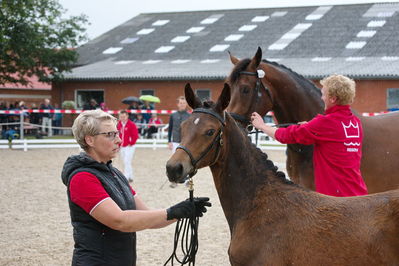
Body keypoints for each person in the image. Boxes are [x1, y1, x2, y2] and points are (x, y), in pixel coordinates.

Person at [61, 109, 211, 266]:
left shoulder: (116, 174)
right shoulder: (82, 178)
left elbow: (148, 217)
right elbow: (119, 220)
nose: (119, 140)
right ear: (89, 140)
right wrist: (172, 212)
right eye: (110, 135)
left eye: (117, 133)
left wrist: (183, 210)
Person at [251, 74, 368, 197]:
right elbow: (334, 138)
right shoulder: (355, 122)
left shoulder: (325, 123)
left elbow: (285, 135)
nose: (322, 98)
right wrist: (310, 127)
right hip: (358, 194)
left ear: (333, 99)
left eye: (324, 94)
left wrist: (262, 126)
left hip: (336, 198)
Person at [117, 110, 139, 182]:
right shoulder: (119, 124)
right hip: (121, 146)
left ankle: (126, 177)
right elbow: (117, 135)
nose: (122, 118)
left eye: (124, 116)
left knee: (127, 160)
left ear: (127, 116)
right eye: (121, 117)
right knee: (125, 161)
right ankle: (131, 175)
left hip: (129, 146)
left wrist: (131, 143)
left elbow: (135, 135)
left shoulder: (131, 124)